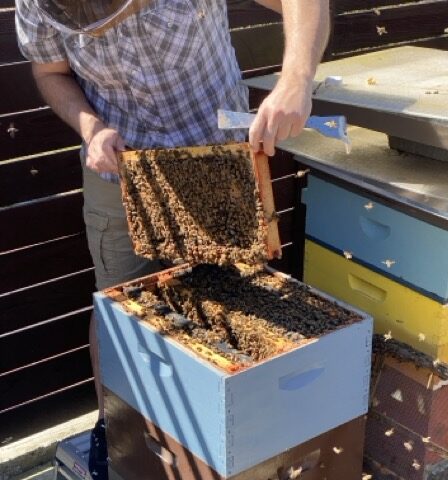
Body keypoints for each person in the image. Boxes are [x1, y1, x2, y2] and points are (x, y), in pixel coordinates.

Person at [15, 0, 330, 477]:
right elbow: (49, 72)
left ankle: (236, 440)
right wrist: (91, 128)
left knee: (238, 301)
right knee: (119, 308)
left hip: (217, 157)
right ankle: (115, 431)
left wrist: (295, 80)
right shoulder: (38, 4)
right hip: (121, 172)